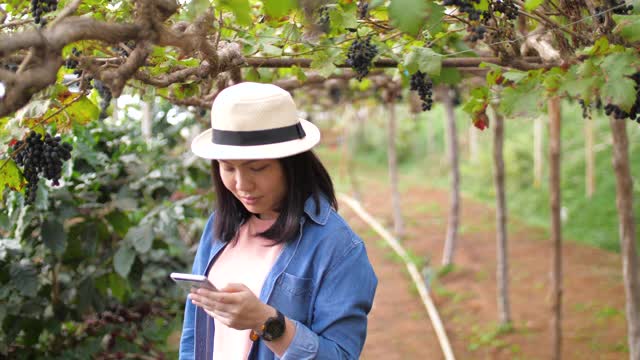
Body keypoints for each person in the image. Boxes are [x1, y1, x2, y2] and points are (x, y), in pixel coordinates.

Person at [179, 82, 378, 360]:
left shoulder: (338, 248)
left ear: (292, 164)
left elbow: (341, 355)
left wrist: (267, 322)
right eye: (227, 167)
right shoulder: (219, 228)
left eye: (257, 168)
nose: (241, 184)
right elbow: (194, 332)